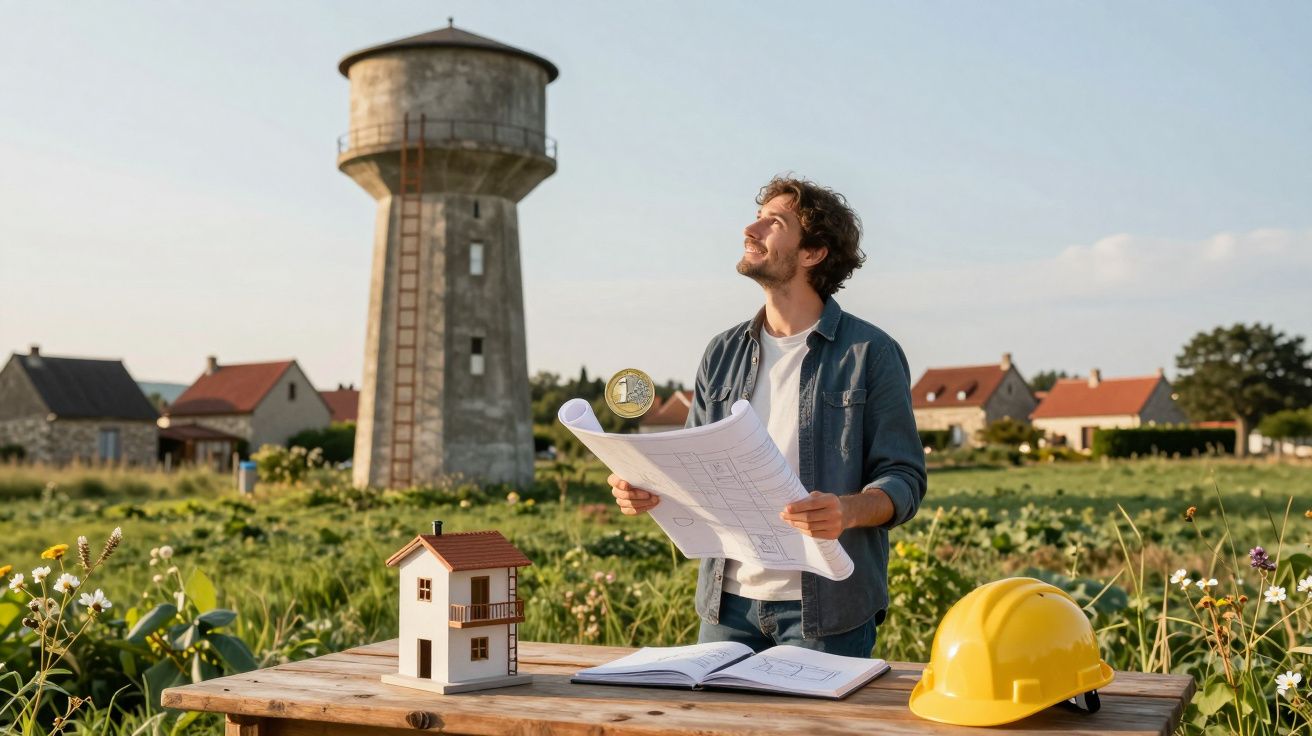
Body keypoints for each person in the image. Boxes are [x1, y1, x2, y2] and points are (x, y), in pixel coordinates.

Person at [608, 175, 926, 656]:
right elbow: (691, 467)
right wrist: (645, 487)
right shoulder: (722, 352)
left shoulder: (871, 352)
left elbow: (903, 478)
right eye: (757, 217)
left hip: (827, 612)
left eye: (773, 222)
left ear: (812, 253)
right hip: (727, 606)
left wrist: (846, 511)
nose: (750, 229)